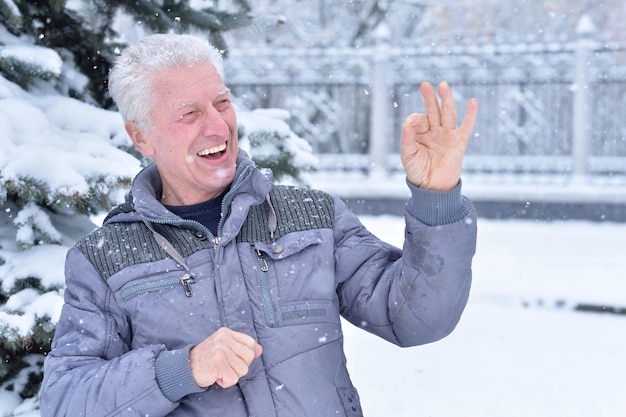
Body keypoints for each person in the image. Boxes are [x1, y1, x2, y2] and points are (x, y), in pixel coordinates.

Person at [40, 33, 478, 417]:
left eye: (222, 102)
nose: (219, 126)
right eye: (189, 114)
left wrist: (437, 197)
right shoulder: (105, 260)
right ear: (142, 137)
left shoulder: (311, 217)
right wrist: (181, 370)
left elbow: (418, 319)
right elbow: (64, 401)